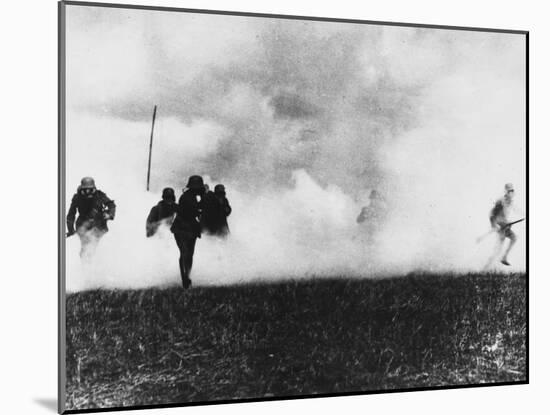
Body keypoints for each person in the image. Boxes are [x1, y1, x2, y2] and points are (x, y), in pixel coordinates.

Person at [66, 177, 116, 259]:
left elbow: (111, 205)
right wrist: (71, 229)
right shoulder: (77, 197)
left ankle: (99, 263)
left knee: (99, 247)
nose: (88, 193)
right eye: (85, 190)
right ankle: (85, 267)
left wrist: (109, 214)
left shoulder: (99, 195)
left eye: (90, 190)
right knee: (85, 248)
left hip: (99, 225)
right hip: (83, 225)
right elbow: (71, 215)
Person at [170, 175, 205, 289]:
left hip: (190, 228)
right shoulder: (186, 197)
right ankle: (184, 279)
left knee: (189, 254)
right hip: (181, 228)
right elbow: (193, 211)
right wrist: (203, 199)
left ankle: (187, 276)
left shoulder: (193, 196)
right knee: (185, 253)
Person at [486, 183, 520, 266]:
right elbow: (492, 215)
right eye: (509, 191)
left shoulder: (511, 202)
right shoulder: (500, 202)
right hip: (501, 227)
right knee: (498, 249)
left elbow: (517, 210)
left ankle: (504, 257)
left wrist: (508, 222)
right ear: (506, 192)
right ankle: (485, 267)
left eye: (512, 191)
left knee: (514, 238)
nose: (511, 193)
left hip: (506, 226)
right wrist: (494, 225)